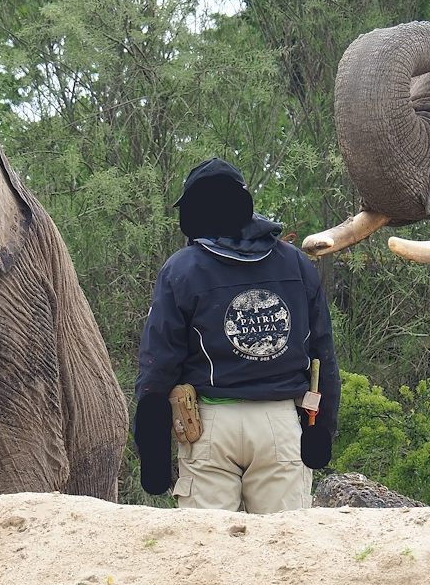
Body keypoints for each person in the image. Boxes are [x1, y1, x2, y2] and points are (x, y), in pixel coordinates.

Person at [133, 158, 339, 511]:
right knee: (284, 552)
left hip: (209, 426)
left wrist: (153, 458)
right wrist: (321, 431)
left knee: (209, 555)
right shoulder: (297, 265)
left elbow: (157, 367)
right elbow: (322, 359)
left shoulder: (180, 270)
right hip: (280, 425)